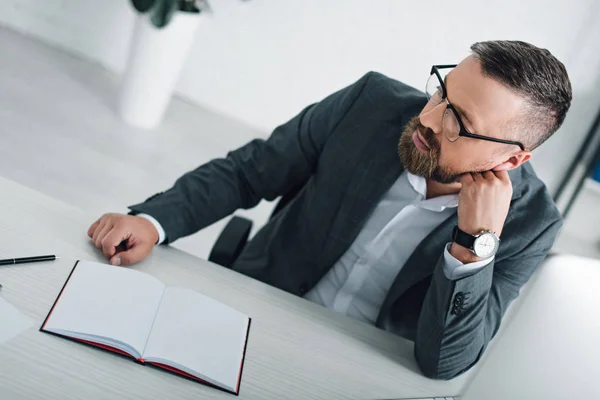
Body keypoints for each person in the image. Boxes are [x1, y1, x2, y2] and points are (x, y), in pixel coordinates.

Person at [87, 40, 572, 380]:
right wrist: (153, 220)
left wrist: (473, 245)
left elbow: (445, 362)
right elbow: (249, 172)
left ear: (512, 158)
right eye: (442, 90)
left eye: (458, 121)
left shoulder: (532, 224)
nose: (427, 118)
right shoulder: (370, 103)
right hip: (254, 313)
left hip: (358, 369)